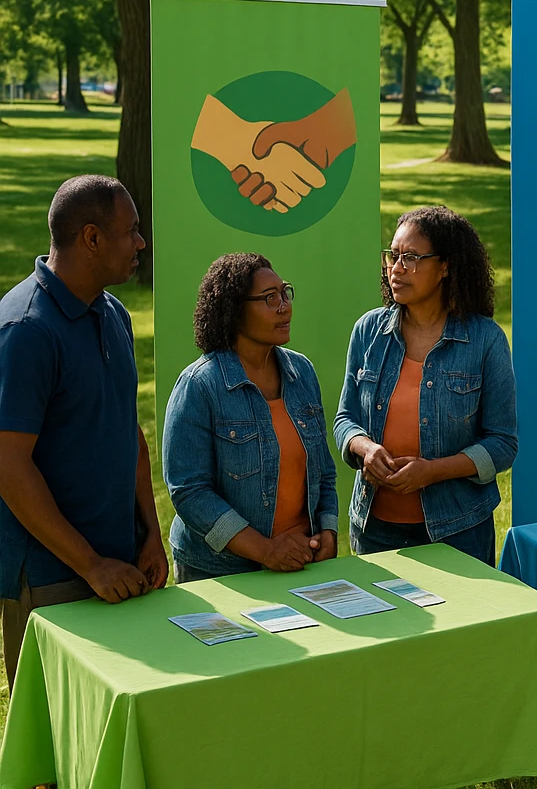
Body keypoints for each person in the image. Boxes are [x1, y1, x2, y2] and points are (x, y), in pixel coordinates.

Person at [0, 176, 167, 685]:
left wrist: (151, 535)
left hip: (122, 566)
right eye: (131, 231)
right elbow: (8, 466)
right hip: (53, 579)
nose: (141, 242)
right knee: (53, 743)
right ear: (91, 239)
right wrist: (91, 564)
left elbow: (128, 434)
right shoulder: (26, 331)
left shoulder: (112, 311)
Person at [335, 206, 517, 567]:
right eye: (394, 256)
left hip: (459, 530)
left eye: (412, 258)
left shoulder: (485, 340)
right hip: (375, 528)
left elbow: (502, 443)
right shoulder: (368, 332)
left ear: (445, 266)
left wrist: (432, 471)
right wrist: (365, 448)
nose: (397, 268)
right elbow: (345, 419)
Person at [162, 254, 339, 581]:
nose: (284, 306)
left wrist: (327, 531)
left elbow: (323, 469)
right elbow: (190, 491)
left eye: (285, 293)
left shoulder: (302, 372)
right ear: (234, 310)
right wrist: (265, 550)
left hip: (301, 559)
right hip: (221, 572)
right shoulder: (199, 386)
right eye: (269, 299)